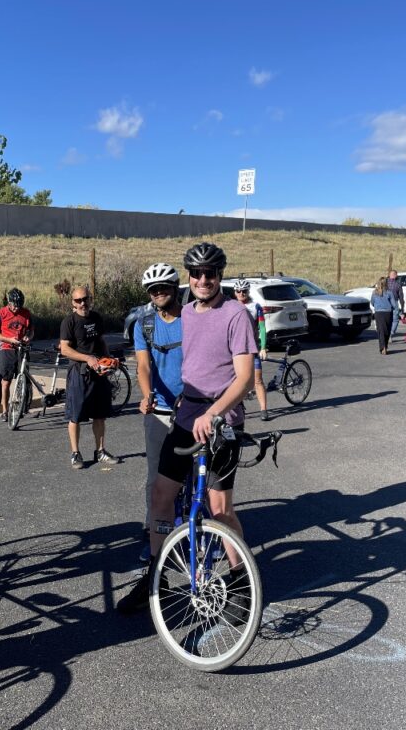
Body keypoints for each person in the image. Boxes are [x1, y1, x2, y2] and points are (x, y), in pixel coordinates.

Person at [117, 242, 256, 614]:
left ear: (220, 275)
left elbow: (244, 379)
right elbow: (166, 355)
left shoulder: (236, 314)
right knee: (161, 497)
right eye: (196, 274)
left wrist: (214, 413)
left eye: (210, 273)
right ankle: (155, 578)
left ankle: (241, 581)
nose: (203, 280)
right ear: (189, 278)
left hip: (220, 421)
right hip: (185, 416)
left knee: (220, 509)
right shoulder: (187, 313)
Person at [133, 263, 184, 562]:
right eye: (154, 289)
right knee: (156, 477)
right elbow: (143, 365)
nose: (159, 292)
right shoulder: (145, 323)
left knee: (195, 475)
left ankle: (199, 533)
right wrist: (147, 393)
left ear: (175, 288)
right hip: (160, 410)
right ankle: (155, 534)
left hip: (192, 408)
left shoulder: (192, 319)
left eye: (164, 287)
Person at [60, 285, 121, 470]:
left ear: (90, 299)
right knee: (75, 416)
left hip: (99, 374)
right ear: (73, 303)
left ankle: (100, 451)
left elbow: (101, 341)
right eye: (78, 300)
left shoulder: (96, 318)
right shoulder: (69, 322)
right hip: (80, 373)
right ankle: (75, 454)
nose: (82, 303)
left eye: (85, 299)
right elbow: (64, 349)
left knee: (100, 415)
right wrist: (88, 358)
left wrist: (109, 359)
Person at [0, 287, 34, 419]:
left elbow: (31, 330)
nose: (17, 309)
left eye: (19, 306)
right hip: (7, 348)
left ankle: (23, 407)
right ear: (9, 303)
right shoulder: (1, 313)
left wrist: (28, 337)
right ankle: (5, 410)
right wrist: (8, 339)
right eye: (14, 306)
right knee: (6, 380)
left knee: (24, 379)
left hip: (22, 348)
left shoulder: (26, 313)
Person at [233, 278, 270, 421]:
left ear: (248, 292)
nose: (241, 293)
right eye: (238, 291)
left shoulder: (256, 307)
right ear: (235, 293)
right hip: (235, 349)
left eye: (244, 291)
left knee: (257, 380)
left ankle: (263, 409)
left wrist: (263, 347)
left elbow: (262, 327)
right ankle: (237, 408)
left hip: (252, 348)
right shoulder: (230, 306)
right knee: (234, 381)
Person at [371, 277, 397, 354]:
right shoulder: (389, 292)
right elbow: (394, 304)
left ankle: (382, 347)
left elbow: (372, 302)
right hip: (388, 313)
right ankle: (385, 345)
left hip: (378, 313)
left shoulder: (374, 292)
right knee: (387, 330)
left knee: (380, 330)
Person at [388, 270, 405, 338]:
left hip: (386, 302)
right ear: (396, 275)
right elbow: (401, 296)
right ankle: (391, 333)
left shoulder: (385, 283)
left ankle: (387, 333)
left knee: (387, 319)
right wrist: (402, 307)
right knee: (395, 319)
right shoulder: (398, 284)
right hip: (394, 302)